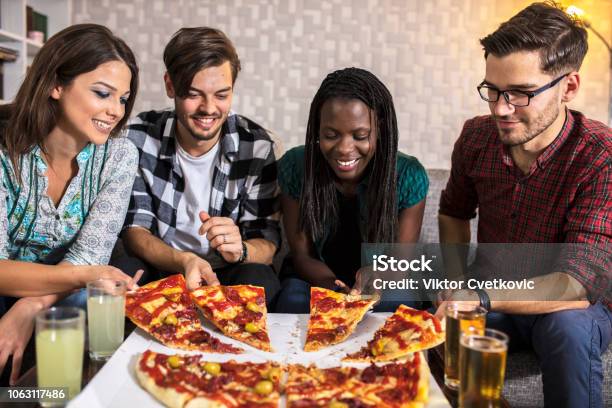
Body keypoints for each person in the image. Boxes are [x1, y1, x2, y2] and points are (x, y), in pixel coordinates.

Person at [435, 3, 611, 407]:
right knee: (428, 321)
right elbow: (453, 213)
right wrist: (456, 282)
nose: (500, 108)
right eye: (493, 90)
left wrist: (479, 297)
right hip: (492, 296)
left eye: (521, 93)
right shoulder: (476, 137)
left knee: (567, 326)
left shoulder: (601, 156)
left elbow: (575, 287)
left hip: (569, 308)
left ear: (568, 87)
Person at [0, 24, 141, 385]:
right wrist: (89, 275)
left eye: (123, 99)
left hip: (64, 291)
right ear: (55, 85)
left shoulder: (119, 155)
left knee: (97, 306)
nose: (116, 111)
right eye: (103, 93)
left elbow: (89, 256)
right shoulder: (4, 153)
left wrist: (31, 306)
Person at [122, 27, 281, 307]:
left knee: (262, 279)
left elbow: (267, 243)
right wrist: (185, 261)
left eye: (222, 95)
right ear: (170, 85)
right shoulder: (139, 137)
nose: (209, 109)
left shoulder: (255, 145)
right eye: (194, 94)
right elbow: (136, 231)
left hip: (227, 272)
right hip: (164, 267)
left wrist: (241, 249)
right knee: (122, 268)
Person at [275, 67, 429, 313]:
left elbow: (401, 262)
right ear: (317, 130)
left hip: (382, 283)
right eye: (330, 135)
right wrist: (335, 291)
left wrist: (371, 279)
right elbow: (302, 256)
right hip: (313, 280)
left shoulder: (409, 175)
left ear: (380, 130)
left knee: (399, 305)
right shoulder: (295, 166)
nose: (345, 148)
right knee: (292, 302)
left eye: (360, 135)